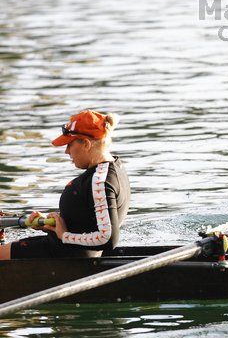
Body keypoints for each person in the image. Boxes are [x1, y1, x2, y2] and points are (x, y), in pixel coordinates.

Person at [0, 110, 130, 259]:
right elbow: (87, 220)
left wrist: (64, 235)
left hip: (66, 255)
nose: (66, 151)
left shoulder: (100, 180)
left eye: (69, 144)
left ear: (86, 144)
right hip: (64, 248)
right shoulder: (114, 167)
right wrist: (51, 225)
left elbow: (108, 238)